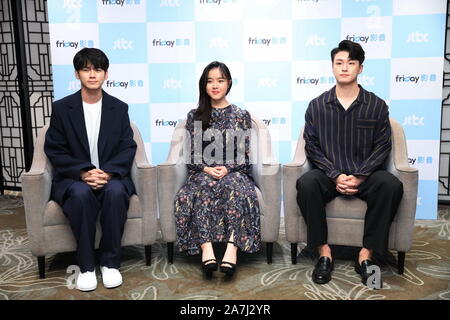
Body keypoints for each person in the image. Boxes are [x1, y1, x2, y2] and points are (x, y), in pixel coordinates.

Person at [296, 40, 403, 286]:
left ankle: (366, 256)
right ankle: (324, 253)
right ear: (332, 67)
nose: (344, 68)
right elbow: (311, 145)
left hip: (365, 176)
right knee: (306, 183)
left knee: (391, 185)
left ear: (360, 68)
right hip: (329, 175)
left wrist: (361, 175)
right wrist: (335, 175)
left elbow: (383, 145)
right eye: (339, 63)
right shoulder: (317, 106)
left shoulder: (376, 105)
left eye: (351, 63)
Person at [44, 48, 137, 291]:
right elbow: (54, 149)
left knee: (116, 192)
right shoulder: (63, 108)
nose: (92, 75)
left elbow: (128, 147)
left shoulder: (119, 108)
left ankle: (110, 264)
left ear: (106, 74)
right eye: (86, 69)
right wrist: (84, 172)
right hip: (75, 179)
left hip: (110, 176)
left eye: (97, 69)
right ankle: (86, 267)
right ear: (77, 74)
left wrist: (106, 173)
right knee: (81, 194)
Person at [174, 61, 260, 278]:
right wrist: (206, 169)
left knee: (235, 187)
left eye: (220, 80)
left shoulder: (241, 115)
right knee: (201, 188)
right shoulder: (195, 115)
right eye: (210, 81)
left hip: (235, 171)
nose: (215, 85)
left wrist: (227, 168)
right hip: (202, 171)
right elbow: (191, 155)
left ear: (228, 83)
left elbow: (245, 155)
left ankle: (232, 249)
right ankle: (207, 249)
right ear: (204, 85)